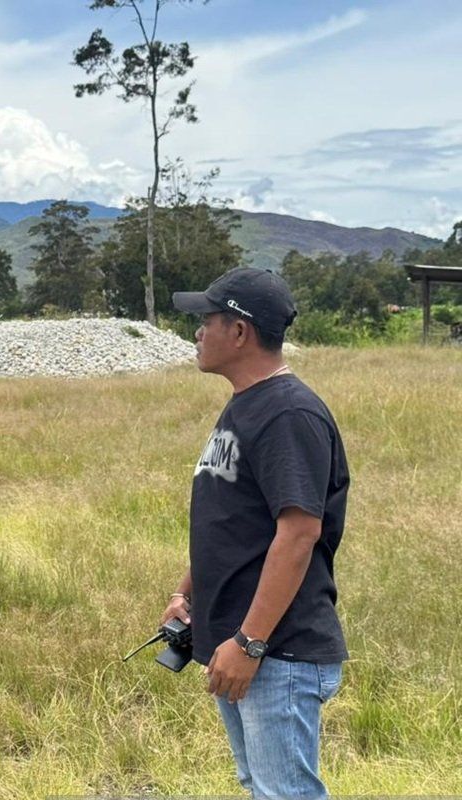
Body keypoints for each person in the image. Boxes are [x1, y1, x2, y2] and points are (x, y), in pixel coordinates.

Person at [165, 267, 350, 800]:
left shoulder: (288, 413)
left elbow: (298, 533)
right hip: (243, 642)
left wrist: (250, 642)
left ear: (240, 332)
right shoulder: (246, 404)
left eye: (206, 320)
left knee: (284, 793)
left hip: (277, 651)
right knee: (263, 787)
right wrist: (186, 594)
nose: (197, 333)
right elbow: (234, 525)